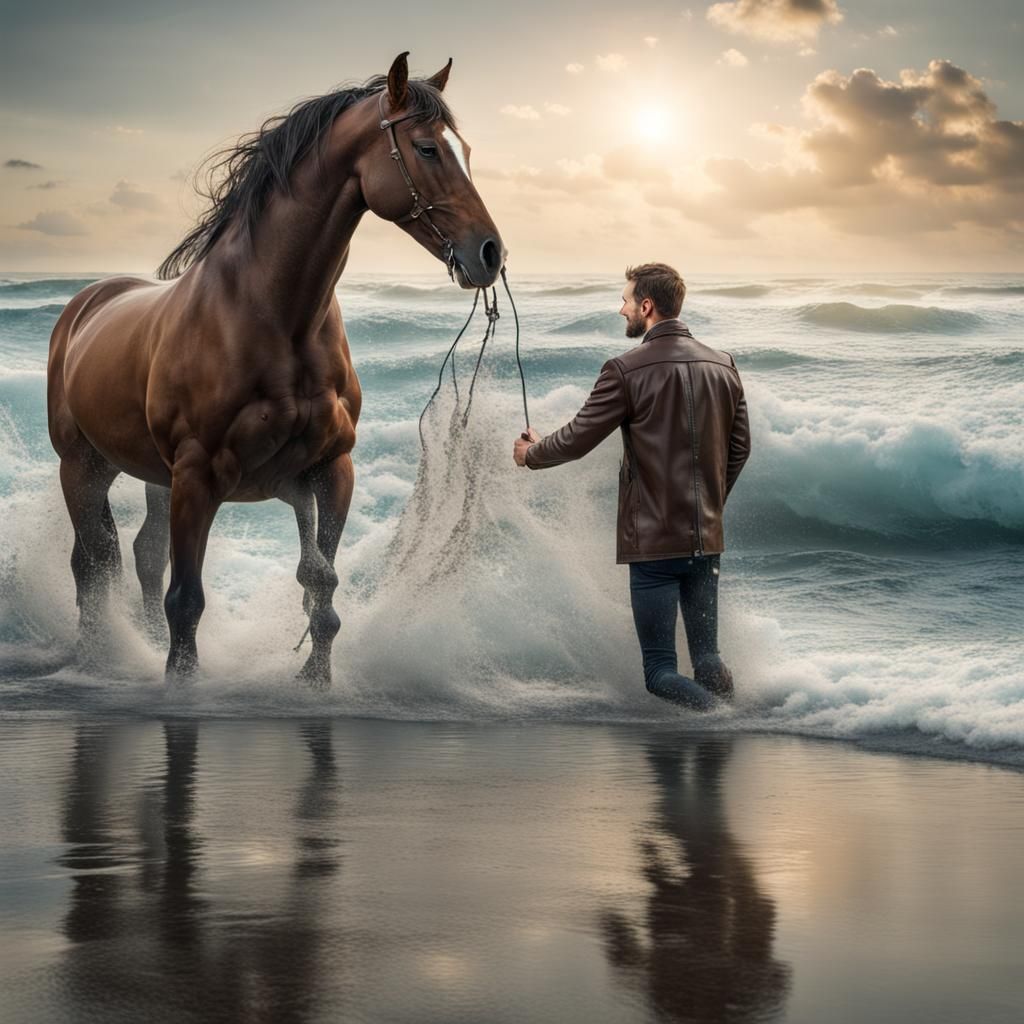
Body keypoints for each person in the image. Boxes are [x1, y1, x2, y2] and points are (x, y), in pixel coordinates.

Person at [512, 263, 750, 709]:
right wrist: (709, 507)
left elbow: (579, 438)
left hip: (655, 546)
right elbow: (739, 450)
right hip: (707, 540)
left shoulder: (624, 370)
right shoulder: (724, 364)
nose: (621, 309)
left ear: (647, 305)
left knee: (659, 673)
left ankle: (722, 723)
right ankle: (734, 725)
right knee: (708, 658)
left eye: (626, 300)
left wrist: (532, 454)